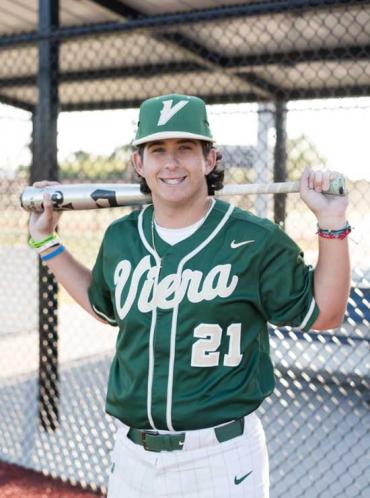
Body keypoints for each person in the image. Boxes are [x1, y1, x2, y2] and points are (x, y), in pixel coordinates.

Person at [28, 94, 350, 497]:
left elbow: (326, 313)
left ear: (209, 159)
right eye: (157, 150)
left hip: (220, 457)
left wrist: (332, 224)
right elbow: (104, 305)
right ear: (138, 163)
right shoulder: (122, 237)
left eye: (185, 149)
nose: (171, 163)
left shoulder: (254, 239)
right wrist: (46, 242)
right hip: (133, 456)